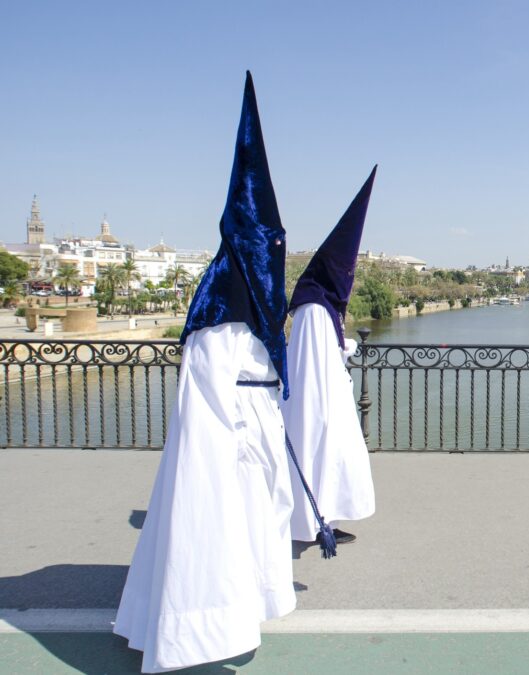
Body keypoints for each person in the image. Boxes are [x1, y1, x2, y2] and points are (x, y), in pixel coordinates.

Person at [114, 72, 296, 673]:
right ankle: (196, 636)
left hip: (254, 428)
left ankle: (238, 618)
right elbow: (212, 391)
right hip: (226, 441)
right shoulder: (221, 304)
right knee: (211, 533)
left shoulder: (242, 297)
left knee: (250, 531)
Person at [284, 167, 378, 546]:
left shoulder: (319, 306)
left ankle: (323, 517)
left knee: (333, 463)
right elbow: (312, 364)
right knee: (321, 459)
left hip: (325, 400)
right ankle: (313, 522)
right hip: (317, 406)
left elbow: (324, 354)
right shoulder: (314, 309)